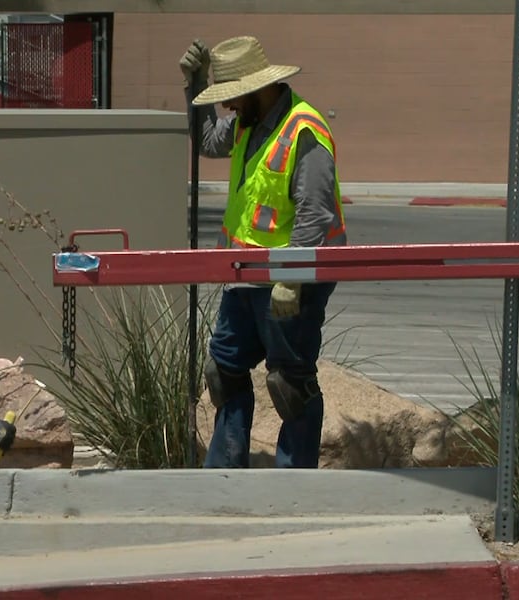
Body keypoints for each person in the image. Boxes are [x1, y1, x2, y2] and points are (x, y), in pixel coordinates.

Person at [179, 36, 347, 469]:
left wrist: (293, 277)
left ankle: (291, 487)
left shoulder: (304, 130)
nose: (229, 108)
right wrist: (194, 87)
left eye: (233, 99)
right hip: (245, 275)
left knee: (291, 384)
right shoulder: (248, 123)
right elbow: (207, 142)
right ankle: (225, 475)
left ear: (258, 89)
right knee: (225, 372)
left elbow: (315, 210)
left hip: (291, 281)